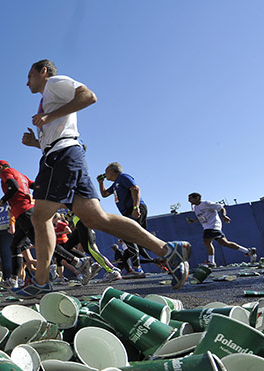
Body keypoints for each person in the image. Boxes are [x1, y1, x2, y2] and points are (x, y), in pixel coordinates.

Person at [17, 59, 191, 297]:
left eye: (30, 76)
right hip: (64, 154)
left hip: (61, 157)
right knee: (97, 219)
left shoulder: (54, 83)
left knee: (39, 218)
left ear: (43, 72)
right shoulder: (48, 97)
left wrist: (48, 117)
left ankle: (42, 281)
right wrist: (35, 142)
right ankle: (167, 250)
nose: (27, 82)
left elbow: (88, 96)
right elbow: (58, 134)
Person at [0, 159, 92, 289]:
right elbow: (36, 185)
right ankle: (13, 279)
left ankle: (78, 262)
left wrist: (1, 201)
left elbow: (13, 187)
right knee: (15, 245)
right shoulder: (21, 175)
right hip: (24, 212)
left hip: (23, 212)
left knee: (42, 244)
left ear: (0, 167)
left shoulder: (6, 172)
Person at [97, 162, 156, 278]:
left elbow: (135, 189)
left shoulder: (123, 177)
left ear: (113, 171)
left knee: (128, 236)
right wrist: (101, 183)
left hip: (134, 209)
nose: (105, 174)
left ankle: (138, 269)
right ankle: (142, 267)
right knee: (137, 239)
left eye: (106, 172)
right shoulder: (115, 184)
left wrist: (136, 207)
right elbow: (104, 194)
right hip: (128, 212)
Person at [187, 193, 257, 267]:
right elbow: (202, 217)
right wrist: (194, 221)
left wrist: (224, 215)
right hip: (208, 227)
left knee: (206, 241)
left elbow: (221, 208)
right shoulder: (196, 208)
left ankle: (211, 262)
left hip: (213, 225)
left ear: (197, 197)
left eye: (190, 198)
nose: (189, 200)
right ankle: (248, 251)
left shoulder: (206, 203)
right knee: (225, 243)